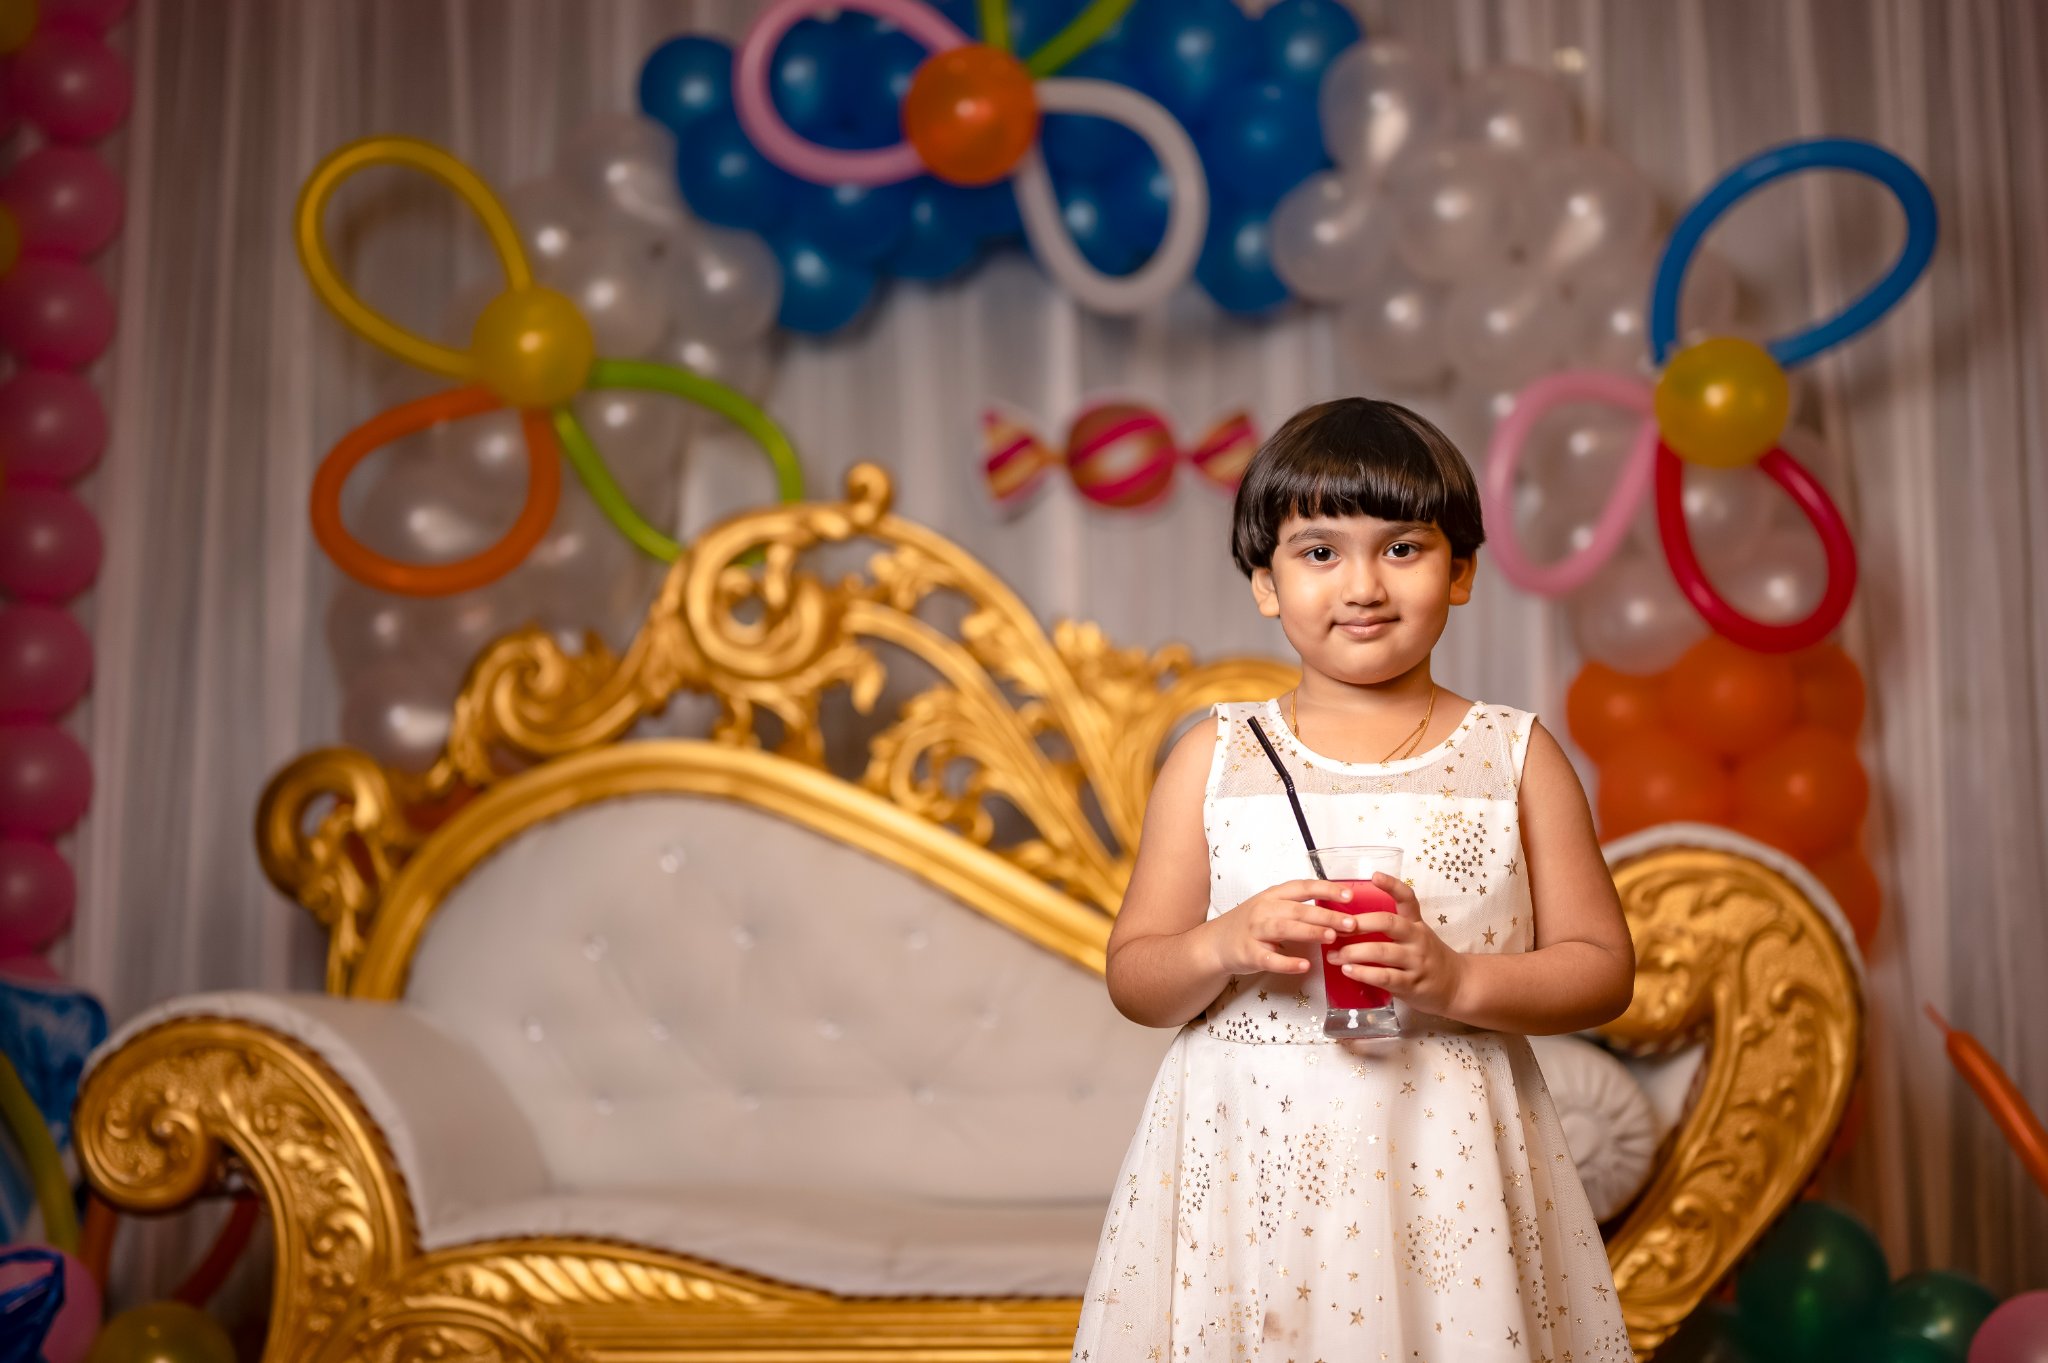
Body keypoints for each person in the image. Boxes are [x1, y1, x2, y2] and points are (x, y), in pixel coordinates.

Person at [1072, 397, 1637, 1361]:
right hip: (1249, 1150)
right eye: (1320, 552)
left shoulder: (1514, 755)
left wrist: (1457, 977)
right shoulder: (1215, 756)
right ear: (1266, 582)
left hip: (1446, 1149)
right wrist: (1223, 942)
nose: (1364, 584)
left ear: (1461, 571)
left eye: (1403, 548)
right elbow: (1136, 978)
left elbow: (1602, 970)